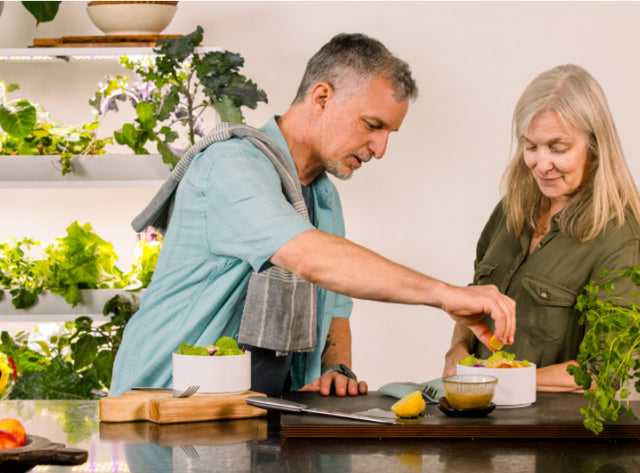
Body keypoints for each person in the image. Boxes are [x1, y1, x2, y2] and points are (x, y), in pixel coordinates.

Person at [110, 33, 516, 398]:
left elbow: (335, 307)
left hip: (256, 412)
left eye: (389, 134)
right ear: (321, 97)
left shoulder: (322, 197)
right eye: (372, 125)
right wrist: (445, 294)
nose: (380, 149)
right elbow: (309, 258)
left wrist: (335, 366)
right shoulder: (232, 166)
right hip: (165, 405)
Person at [443, 64, 640, 392]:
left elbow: (604, 370)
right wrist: (457, 351)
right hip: (481, 417)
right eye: (531, 147)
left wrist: (504, 380)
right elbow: (475, 295)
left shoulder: (622, 239)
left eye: (558, 149)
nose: (541, 164)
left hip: (553, 433)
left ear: (594, 147)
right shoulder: (512, 208)